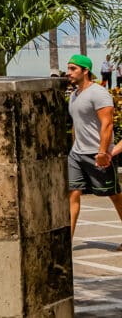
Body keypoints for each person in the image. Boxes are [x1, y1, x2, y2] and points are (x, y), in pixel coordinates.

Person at [67, 54, 122, 244]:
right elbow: (77, 124)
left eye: (73, 69)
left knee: (115, 196)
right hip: (76, 155)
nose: (69, 73)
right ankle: (67, 243)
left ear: (85, 71)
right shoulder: (74, 95)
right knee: (73, 194)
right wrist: (74, 147)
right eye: (69, 68)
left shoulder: (98, 93)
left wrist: (102, 152)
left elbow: (107, 124)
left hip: (98, 154)